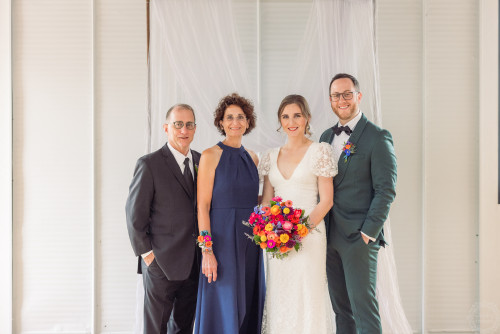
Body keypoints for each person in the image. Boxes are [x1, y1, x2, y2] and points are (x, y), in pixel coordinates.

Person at [320, 73, 397, 334]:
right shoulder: (325, 137)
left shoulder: (377, 137)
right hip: (329, 237)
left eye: (347, 94)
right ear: (330, 99)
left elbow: (386, 190)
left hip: (359, 239)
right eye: (335, 95)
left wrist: (368, 233)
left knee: (364, 308)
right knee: (341, 310)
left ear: (358, 96)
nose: (341, 100)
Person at [259, 94, 336, 333]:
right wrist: (267, 232)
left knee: (307, 295)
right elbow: (266, 202)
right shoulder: (270, 156)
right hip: (278, 240)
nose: (291, 121)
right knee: (280, 293)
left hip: (309, 237)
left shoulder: (320, 151)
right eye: (285, 116)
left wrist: (298, 232)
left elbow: (327, 201)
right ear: (280, 120)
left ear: (307, 118)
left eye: (297, 115)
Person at [126, 104, 200, 334]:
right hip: (161, 264)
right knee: (155, 329)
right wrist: (148, 256)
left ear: (195, 129)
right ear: (166, 128)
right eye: (178, 124)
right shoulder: (149, 164)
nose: (183, 130)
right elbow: (134, 215)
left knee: (183, 327)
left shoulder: (202, 160)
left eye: (189, 125)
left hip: (193, 264)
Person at [194, 93, 265, 334]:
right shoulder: (210, 155)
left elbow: (256, 201)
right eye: (230, 117)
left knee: (248, 299)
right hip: (221, 241)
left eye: (241, 117)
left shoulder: (253, 158)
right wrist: (207, 251)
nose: (235, 122)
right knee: (224, 303)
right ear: (221, 122)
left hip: (251, 242)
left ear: (248, 122)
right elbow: (202, 206)